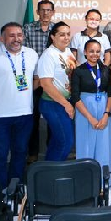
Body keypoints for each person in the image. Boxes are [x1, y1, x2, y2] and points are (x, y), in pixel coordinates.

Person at [0, 22, 39, 187]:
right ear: (2, 39)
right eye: (11, 35)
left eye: (19, 35)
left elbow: (37, 79)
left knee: (20, 152)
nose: (16, 39)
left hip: (25, 115)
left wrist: (22, 91)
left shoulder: (31, 54)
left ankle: (15, 188)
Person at [70, 40, 111, 173]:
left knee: (104, 145)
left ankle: (104, 179)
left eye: (97, 51)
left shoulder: (106, 70)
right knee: (86, 145)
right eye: (91, 51)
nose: (95, 54)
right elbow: (75, 97)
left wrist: (106, 114)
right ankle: (86, 178)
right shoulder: (78, 71)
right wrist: (90, 118)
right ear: (85, 52)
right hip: (85, 111)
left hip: (104, 109)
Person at [37, 21, 77, 161]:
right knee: (65, 142)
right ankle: (54, 171)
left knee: (57, 141)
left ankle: (48, 169)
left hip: (65, 102)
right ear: (53, 37)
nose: (66, 38)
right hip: (53, 104)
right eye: (62, 35)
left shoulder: (67, 51)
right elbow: (46, 84)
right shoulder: (49, 55)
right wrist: (66, 105)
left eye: (68, 34)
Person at [23, 0, 55, 163]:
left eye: (49, 10)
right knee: (33, 117)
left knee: (52, 118)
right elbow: (24, 53)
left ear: (53, 12)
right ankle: (33, 153)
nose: (45, 13)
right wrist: (37, 75)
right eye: (42, 10)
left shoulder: (57, 29)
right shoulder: (28, 28)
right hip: (34, 79)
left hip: (52, 80)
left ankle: (52, 151)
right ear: (37, 12)